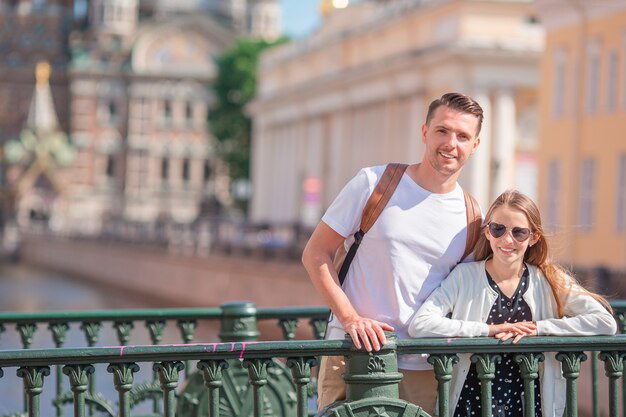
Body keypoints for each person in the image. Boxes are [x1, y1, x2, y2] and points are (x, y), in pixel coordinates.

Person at [301, 92, 484, 413]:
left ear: (475, 145)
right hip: (352, 353)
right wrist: (351, 319)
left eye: (463, 136)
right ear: (425, 132)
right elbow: (315, 253)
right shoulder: (374, 182)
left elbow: (466, 295)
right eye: (442, 131)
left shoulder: (472, 215)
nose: (450, 143)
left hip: (424, 366)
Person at [408, 190, 617, 417]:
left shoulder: (548, 278)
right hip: (469, 404)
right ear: (487, 231)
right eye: (498, 229)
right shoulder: (463, 276)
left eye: (519, 232)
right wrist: (486, 331)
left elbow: (605, 322)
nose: (507, 240)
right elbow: (420, 324)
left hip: (529, 404)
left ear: (534, 237)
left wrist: (540, 328)